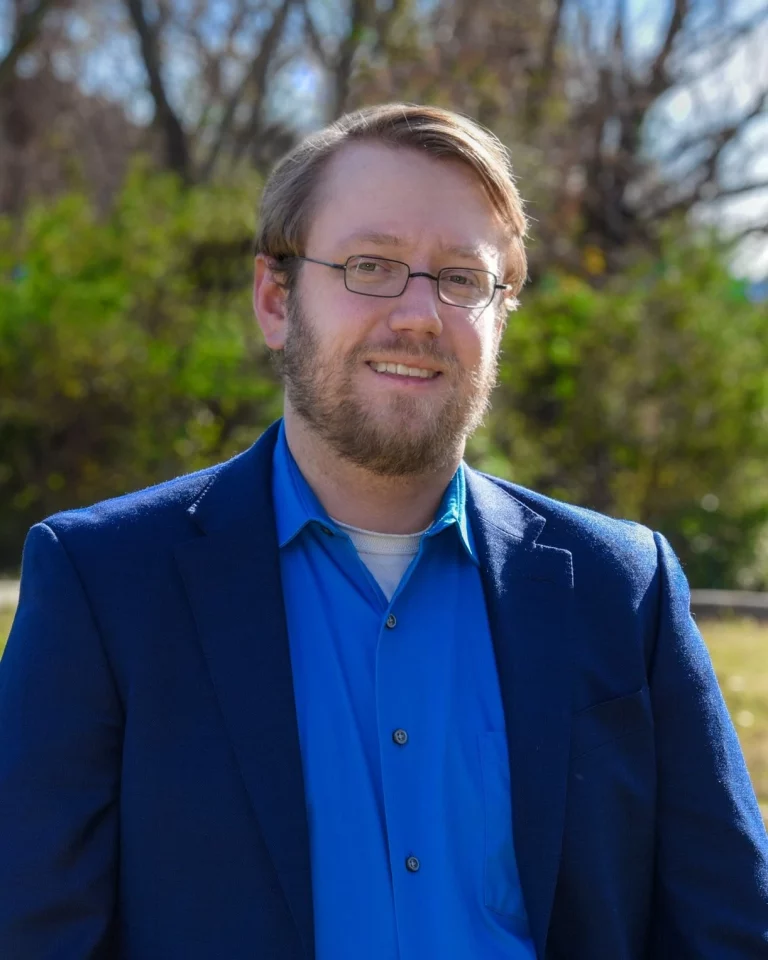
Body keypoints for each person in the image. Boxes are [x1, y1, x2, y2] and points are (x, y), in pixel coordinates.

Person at [0, 103, 766, 960]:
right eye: (371, 266)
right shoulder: (106, 585)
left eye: (461, 278)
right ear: (275, 300)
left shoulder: (622, 587)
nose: (418, 314)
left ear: (501, 313)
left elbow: (727, 929)